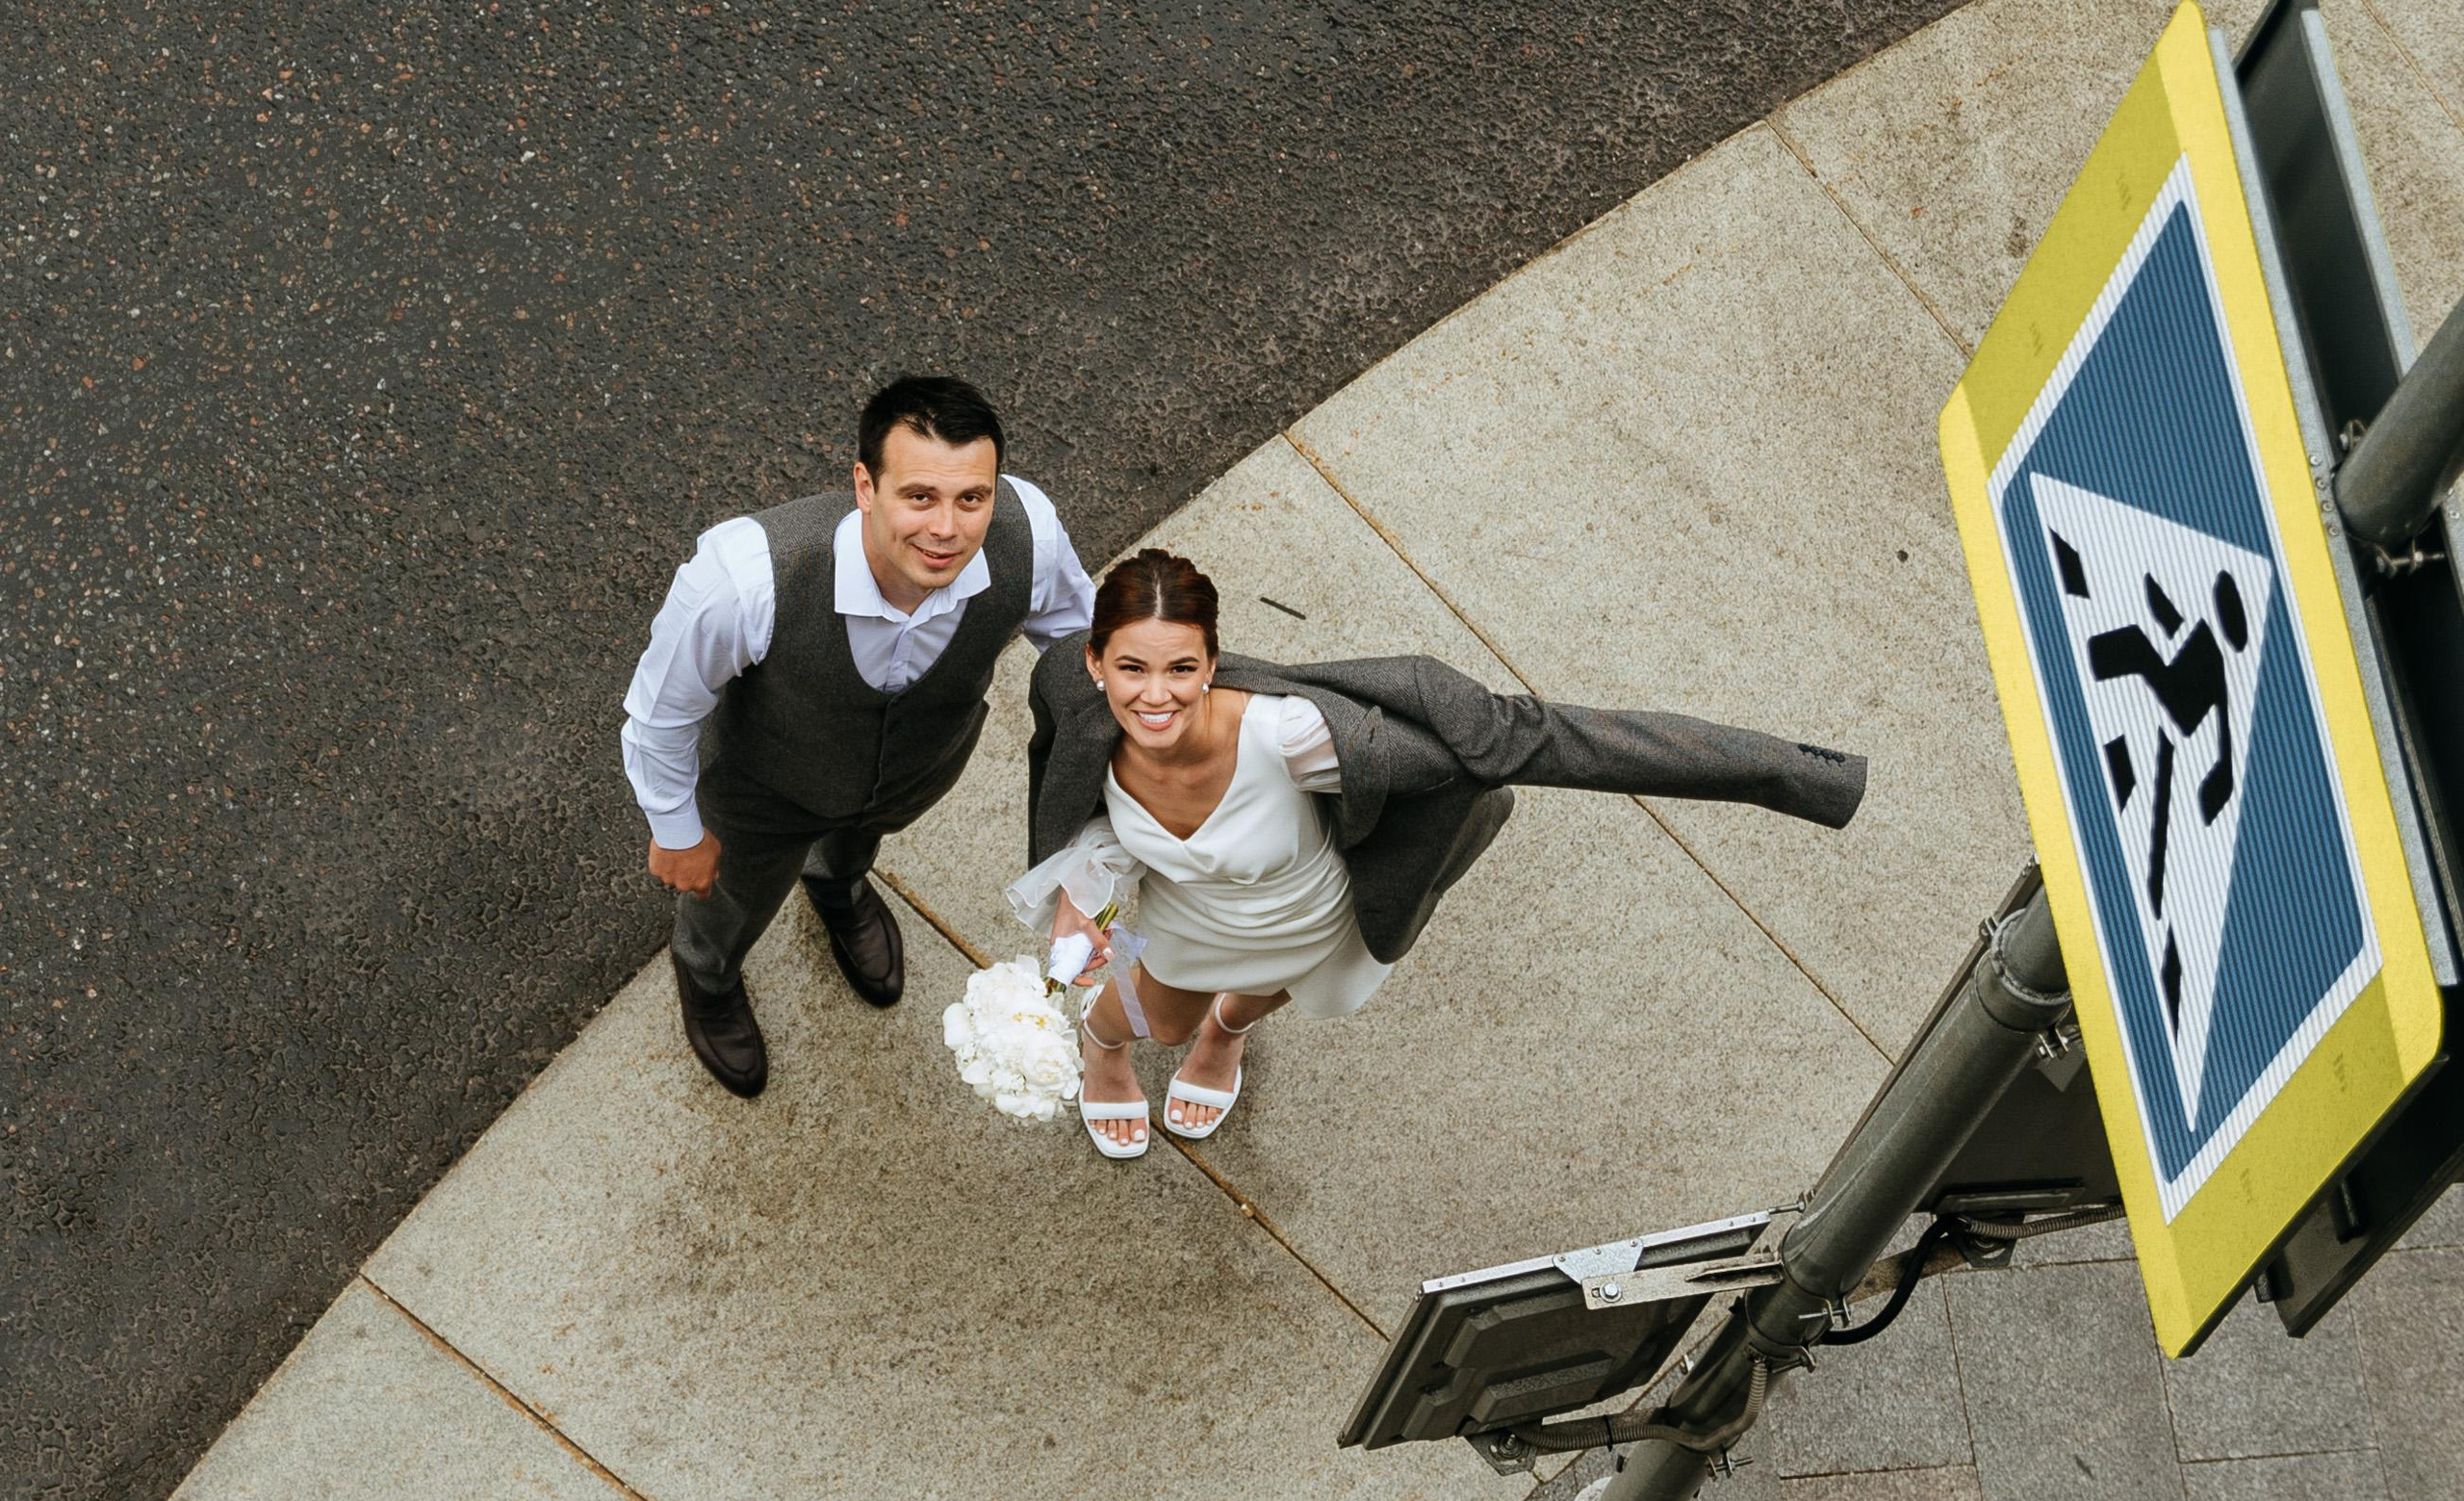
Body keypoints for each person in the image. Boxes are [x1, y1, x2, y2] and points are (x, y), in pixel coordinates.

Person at [1022, 547, 1868, 1158]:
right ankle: (1108, 1053)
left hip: (1310, 912)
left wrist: (1788, 775)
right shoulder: (1079, 701)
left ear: (1215, 664)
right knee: (1150, 1013)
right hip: (1191, 921)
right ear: (1096, 662)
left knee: (1260, 995)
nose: (1157, 695)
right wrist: (1079, 900)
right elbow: (1092, 820)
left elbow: (1543, 742)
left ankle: (1228, 1039)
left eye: (1182, 668)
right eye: (1133, 668)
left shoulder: (1292, 737)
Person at [622, 374, 1094, 1098]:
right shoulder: (746, 577)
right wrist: (676, 828)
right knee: (731, 897)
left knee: (860, 839)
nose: (947, 528)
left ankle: (837, 885)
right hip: (765, 788)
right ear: (865, 486)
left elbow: (1084, 657)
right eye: (919, 497)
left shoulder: (1030, 533)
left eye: (972, 498)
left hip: (919, 767)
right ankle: (708, 972)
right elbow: (663, 713)